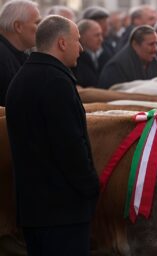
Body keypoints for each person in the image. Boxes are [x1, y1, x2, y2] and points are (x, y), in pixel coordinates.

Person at [5, 15, 99, 255]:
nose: (81, 48)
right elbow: (70, 147)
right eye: (77, 41)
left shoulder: (23, 76)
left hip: (34, 209)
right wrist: (92, 187)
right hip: (63, 213)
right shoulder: (56, 82)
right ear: (62, 43)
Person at [0, 0, 40, 106]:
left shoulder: (23, 56)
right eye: (37, 23)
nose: (41, 28)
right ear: (18, 26)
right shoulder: (2, 57)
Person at [73, 19, 109, 87]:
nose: (101, 39)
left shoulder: (105, 54)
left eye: (101, 35)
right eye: (96, 35)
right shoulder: (73, 59)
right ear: (81, 36)